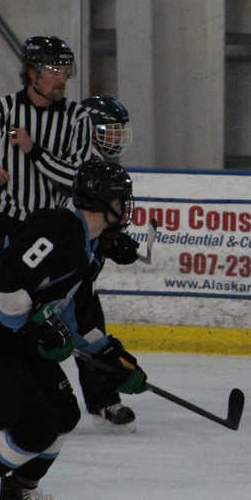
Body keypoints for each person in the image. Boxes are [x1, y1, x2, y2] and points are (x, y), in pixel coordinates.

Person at [0, 159, 147, 500]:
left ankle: (18, 493)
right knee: (35, 425)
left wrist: (107, 355)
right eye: (122, 199)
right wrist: (35, 323)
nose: (127, 206)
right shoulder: (60, 230)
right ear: (102, 201)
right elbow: (1, 278)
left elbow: (68, 312)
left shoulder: (86, 246)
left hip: (11, 328)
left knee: (63, 412)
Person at [0, 35, 94, 432]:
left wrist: (33, 152)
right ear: (31, 73)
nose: (61, 78)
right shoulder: (0, 111)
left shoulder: (78, 119)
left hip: (48, 231)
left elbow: (78, 178)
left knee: (39, 312)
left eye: (65, 70)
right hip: (2, 221)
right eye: (52, 70)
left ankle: (30, 390)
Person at [75, 95, 140, 432]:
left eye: (118, 130)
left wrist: (112, 240)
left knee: (92, 329)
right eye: (108, 130)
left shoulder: (104, 166)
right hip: (59, 270)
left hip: (83, 272)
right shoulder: (75, 164)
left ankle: (103, 400)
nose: (115, 137)